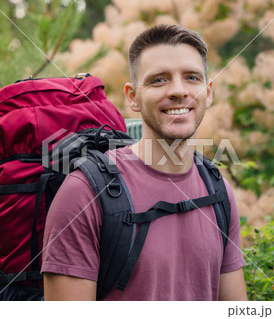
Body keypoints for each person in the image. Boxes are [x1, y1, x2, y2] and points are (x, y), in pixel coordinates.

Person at [41, 24, 247, 301]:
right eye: (159, 80)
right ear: (132, 97)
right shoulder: (84, 193)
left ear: (208, 93)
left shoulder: (218, 191)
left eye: (191, 78)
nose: (178, 91)